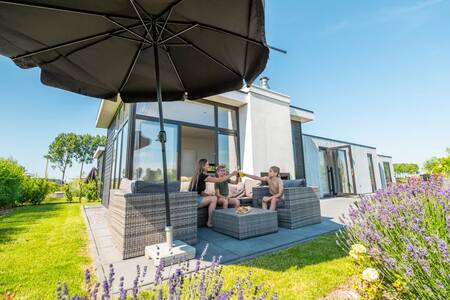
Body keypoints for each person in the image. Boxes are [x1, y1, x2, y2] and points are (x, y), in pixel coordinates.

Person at [189, 159, 238, 227]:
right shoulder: (202, 176)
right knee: (214, 198)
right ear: (203, 166)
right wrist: (232, 174)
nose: (208, 166)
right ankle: (209, 222)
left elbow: (200, 192)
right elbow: (220, 180)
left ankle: (233, 219)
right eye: (207, 165)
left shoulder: (199, 175)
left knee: (213, 197)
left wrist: (208, 195)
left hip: (196, 197)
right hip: (194, 200)